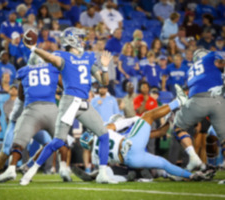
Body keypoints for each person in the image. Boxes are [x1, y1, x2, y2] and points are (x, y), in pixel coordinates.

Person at [21, 27, 115, 185]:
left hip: (85, 102)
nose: (83, 41)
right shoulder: (63, 56)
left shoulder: (88, 56)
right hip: (70, 101)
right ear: (72, 39)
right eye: (80, 37)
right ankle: (30, 172)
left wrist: (105, 67)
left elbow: (103, 81)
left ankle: (102, 174)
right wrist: (34, 49)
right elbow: (51, 58)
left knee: (104, 135)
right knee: (58, 141)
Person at [81, 88, 214, 181]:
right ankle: (179, 101)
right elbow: (145, 122)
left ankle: (190, 176)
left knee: (162, 163)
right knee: (148, 115)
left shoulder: (96, 156)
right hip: (131, 147)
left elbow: (159, 132)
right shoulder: (107, 129)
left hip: (131, 160)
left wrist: (169, 121)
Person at [0, 53, 62, 182]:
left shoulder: (25, 75)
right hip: (21, 118)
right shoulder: (40, 77)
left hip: (31, 114)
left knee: (44, 143)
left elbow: (24, 95)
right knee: (13, 147)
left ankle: (24, 167)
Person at [173, 49, 225, 171]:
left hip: (197, 100)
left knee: (178, 127)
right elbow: (220, 60)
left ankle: (193, 157)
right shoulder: (210, 57)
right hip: (218, 100)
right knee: (223, 139)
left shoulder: (190, 70)